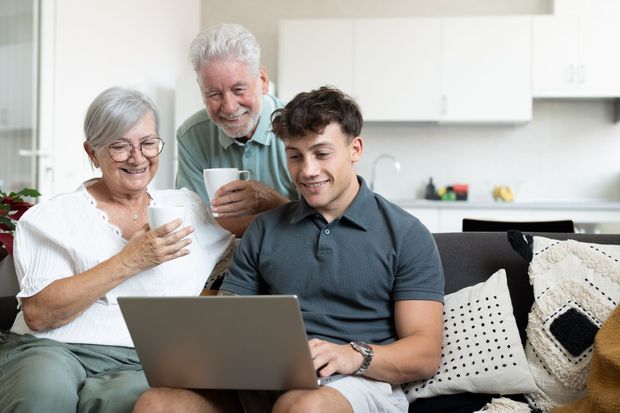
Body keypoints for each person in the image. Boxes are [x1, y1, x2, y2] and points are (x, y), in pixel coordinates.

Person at [133, 86, 445, 413]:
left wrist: (352, 355)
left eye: (322, 154)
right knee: (156, 403)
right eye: (295, 155)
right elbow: (225, 322)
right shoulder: (265, 229)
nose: (307, 171)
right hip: (262, 380)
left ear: (355, 149)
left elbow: (425, 354)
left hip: (353, 382)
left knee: (303, 407)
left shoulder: (407, 234)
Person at [0, 87, 235, 413]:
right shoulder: (53, 217)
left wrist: (268, 201)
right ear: (92, 153)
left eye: (148, 143)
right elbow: (39, 315)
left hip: (142, 360)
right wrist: (130, 260)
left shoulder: (186, 208)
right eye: (119, 146)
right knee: (42, 394)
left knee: (128, 401)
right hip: (51, 348)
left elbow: (257, 241)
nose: (138, 158)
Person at [177, 23, 298, 237]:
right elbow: (193, 224)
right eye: (214, 94)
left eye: (238, 89)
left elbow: (321, 221)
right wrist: (283, 215)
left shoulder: (299, 128)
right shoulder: (191, 136)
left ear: (262, 81)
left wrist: (270, 200)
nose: (229, 107)